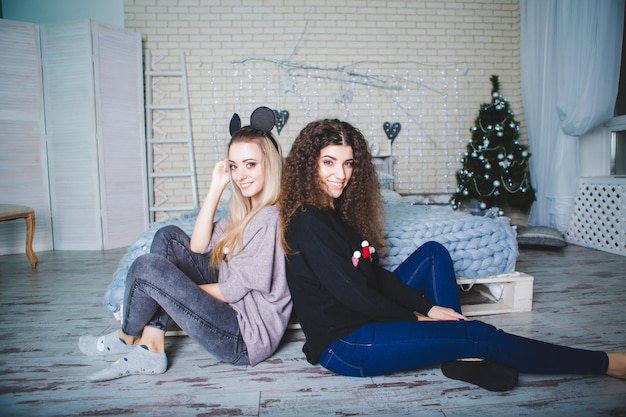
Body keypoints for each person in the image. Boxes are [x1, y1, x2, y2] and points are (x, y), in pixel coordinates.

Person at [278, 118, 626, 392]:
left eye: (349, 163)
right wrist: (416, 319)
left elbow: (373, 274)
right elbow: (357, 295)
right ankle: (605, 363)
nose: (341, 175)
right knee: (477, 333)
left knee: (433, 253)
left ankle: (459, 355)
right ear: (310, 165)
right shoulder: (309, 223)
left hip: (359, 318)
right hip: (346, 345)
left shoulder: (333, 212)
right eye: (329, 162)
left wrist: (430, 307)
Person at [78, 107, 292, 382]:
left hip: (244, 336)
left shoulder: (269, 218)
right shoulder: (243, 212)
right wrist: (216, 187)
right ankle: (151, 343)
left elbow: (234, 289)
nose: (240, 175)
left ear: (269, 165)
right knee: (168, 237)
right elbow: (197, 246)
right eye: (234, 166)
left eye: (250, 164)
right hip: (232, 310)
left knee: (149, 269)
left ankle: (127, 335)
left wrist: (173, 293)